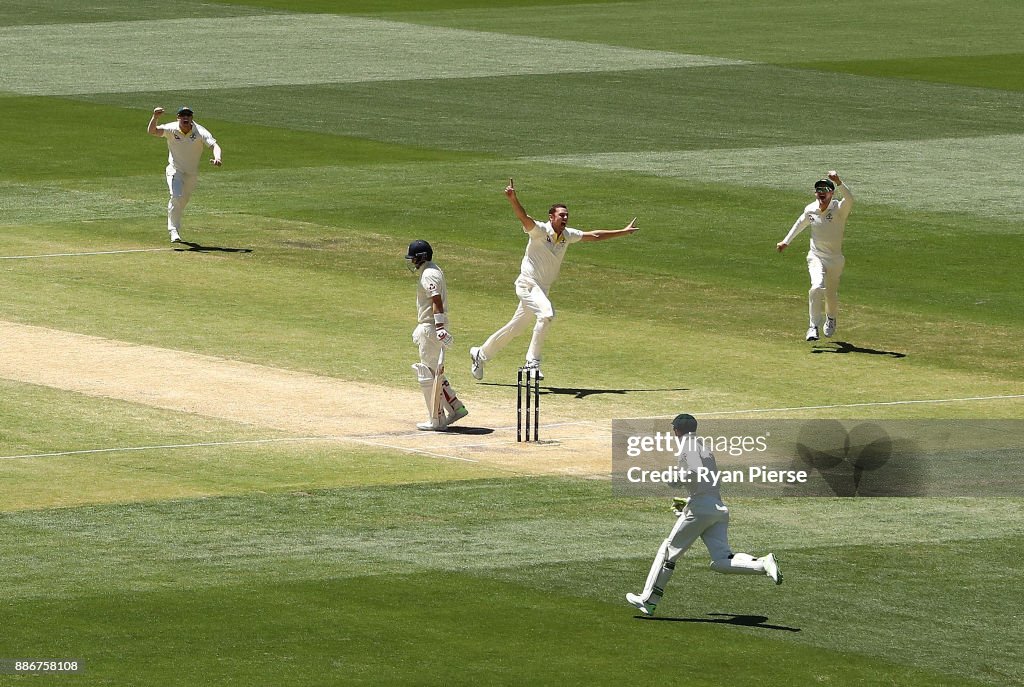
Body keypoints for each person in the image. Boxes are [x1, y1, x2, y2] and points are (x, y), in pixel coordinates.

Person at [469, 179, 638, 380]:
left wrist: (623, 232)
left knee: (516, 328)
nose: (565, 217)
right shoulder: (540, 231)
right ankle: (532, 362)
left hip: (542, 288)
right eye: (561, 215)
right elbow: (524, 218)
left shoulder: (567, 235)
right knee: (547, 314)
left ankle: (480, 354)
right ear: (551, 217)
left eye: (567, 215)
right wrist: (513, 199)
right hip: (527, 284)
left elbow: (594, 235)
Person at [625, 413, 782, 617]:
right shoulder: (703, 446)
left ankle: (648, 600)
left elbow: (695, 471)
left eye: (674, 428)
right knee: (721, 560)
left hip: (701, 508)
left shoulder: (687, 445)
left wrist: (675, 481)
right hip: (716, 506)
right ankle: (764, 563)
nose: (672, 432)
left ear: (678, 429)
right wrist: (690, 501)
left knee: (667, 552)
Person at [776, 171, 854, 341]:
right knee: (816, 286)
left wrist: (839, 182)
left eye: (825, 190)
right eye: (818, 190)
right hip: (816, 256)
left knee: (831, 294)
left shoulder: (839, 210)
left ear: (831, 193)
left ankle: (831, 319)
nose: (821, 193)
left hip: (835, 259)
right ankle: (813, 326)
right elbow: (800, 223)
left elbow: (850, 199)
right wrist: (786, 241)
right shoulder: (811, 209)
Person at [406, 240, 469, 431]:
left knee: (428, 373)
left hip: (432, 327)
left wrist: (439, 327)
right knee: (434, 371)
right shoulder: (434, 269)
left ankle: (437, 420)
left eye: (414, 258)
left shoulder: (428, 274)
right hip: (431, 326)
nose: (412, 262)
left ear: (421, 257)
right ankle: (456, 408)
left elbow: (436, 300)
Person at [147, 106, 223, 243]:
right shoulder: (172, 128)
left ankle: (174, 224)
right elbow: (152, 131)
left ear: (191, 118)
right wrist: (155, 117)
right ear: (178, 118)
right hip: (175, 169)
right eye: (183, 115)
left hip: (191, 173)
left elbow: (215, 146)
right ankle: (173, 230)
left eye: (188, 115)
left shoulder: (200, 131)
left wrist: (218, 157)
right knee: (176, 196)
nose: (185, 118)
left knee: (182, 201)